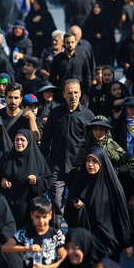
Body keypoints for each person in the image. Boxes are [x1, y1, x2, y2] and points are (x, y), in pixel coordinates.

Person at [40, 79, 95, 227]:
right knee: (56, 202)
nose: (73, 96)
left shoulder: (88, 115)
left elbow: (93, 143)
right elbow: (46, 139)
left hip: (78, 167)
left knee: (77, 203)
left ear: (80, 93)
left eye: (76, 92)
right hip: (56, 164)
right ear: (64, 95)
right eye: (69, 93)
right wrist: (43, 162)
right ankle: (56, 235)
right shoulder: (55, 113)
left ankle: (75, 237)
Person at [65, 147, 133, 260]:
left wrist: (127, 243)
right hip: (85, 243)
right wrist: (76, 206)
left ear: (102, 163)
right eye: (88, 160)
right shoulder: (80, 181)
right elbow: (68, 210)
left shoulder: (112, 186)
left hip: (108, 243)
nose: (90, 164)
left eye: (94, 161)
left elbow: (121, 216)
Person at [2, 197, 66, 268]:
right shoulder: (25, 233)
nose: (41, 221)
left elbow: (64, 259)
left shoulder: (56, 235)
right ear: (32, 215)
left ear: (50, 215)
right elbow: (6, 248)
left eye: (44, 217)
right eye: (37, 217)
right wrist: (27, 248)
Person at [0, 130, 51, 226]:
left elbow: (47, 181)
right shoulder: (8, 157)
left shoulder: (38, 159)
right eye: (17, 140)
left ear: (29, 142)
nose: (19, 143)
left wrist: (36, 181)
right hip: (9, 208)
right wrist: (2, 181)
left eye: (22, 140)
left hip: (29, 208)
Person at [48, 32, 92, 97]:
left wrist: (86, 94)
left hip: (78, 94)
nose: (70, 45)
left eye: (72, 42)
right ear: (63, 43)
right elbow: (52, 78)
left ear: (76, 43)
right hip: (62, 94)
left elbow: (87, 76)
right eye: (68, 42)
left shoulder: (82, 57)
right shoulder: (57, 58)